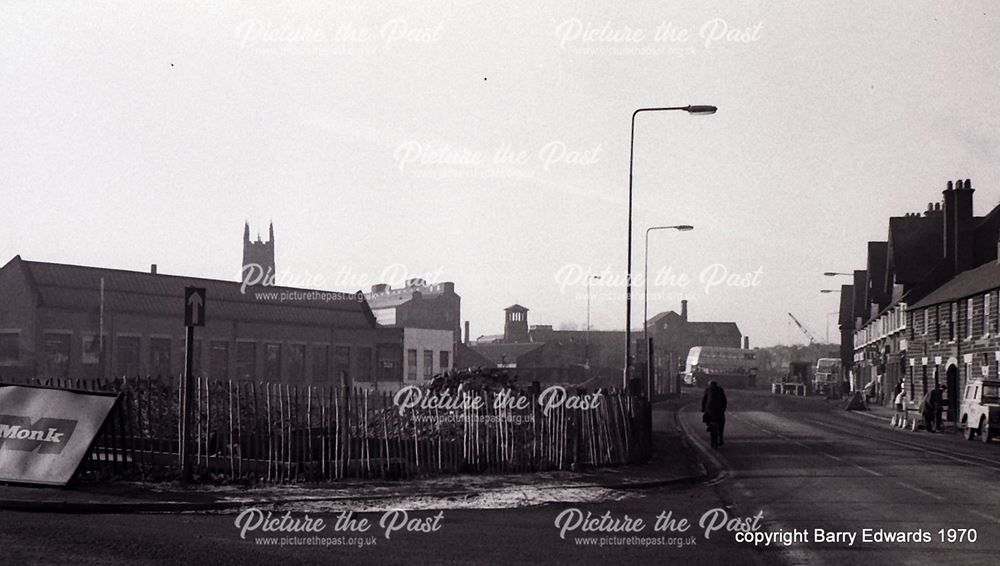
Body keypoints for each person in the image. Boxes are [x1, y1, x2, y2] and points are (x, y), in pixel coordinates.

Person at [701, 380, 728, 448]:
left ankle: (708, 425)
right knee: (721, 423)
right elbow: (724, 400)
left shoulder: (708, 389)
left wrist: (703, 409)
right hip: (719, 410)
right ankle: (721, 438)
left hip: (710, 410)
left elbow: (704, 400)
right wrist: (723, 409)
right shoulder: (720, 389)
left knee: (706, 416)